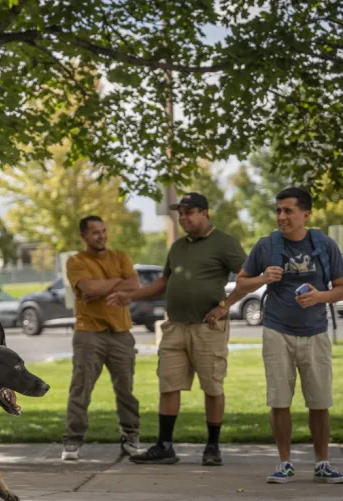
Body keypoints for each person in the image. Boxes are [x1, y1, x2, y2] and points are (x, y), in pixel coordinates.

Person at [108, 193, 251, 466]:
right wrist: (131, 296)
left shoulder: (224, 242)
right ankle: (165, 446)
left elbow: (247, 279)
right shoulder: (177, 247)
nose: (183, 218)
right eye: (181, 213)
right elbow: (163, 282)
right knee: (168, 385)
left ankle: (212, 447)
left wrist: (224, 306)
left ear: (205, 213)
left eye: (189, 212)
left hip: (207, 328)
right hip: (174, 327)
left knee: (212, 387)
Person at [237, 187, 343, 484]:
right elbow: (242, 283)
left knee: (319, 401)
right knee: (279, 400)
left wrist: (320, 297)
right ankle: (284, 463)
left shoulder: (324, 244)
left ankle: (323, 463)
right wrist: (263, 278)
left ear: (305, 214)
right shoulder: (266, 245)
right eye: (278, 211)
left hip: (316, 333)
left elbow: (340, 287)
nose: (281, 217)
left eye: (288, 211)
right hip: (277, 331)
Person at [61, 216, 144, 460]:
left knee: (126, 390)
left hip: (121, 333)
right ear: (83, 236)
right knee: (81, 387)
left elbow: (134, 284)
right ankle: (73, 441)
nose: (101, 236)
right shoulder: (76, 261)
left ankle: (131, 438)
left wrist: (103, 287)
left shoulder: (120, 256)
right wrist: (118, 282)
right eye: (95, 232)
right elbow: (88, 289)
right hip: (89, 333)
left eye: (104, 231)